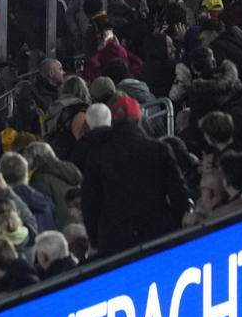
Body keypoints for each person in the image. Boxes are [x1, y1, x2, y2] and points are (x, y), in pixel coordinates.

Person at [79, 97, 192, 254]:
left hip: (115, 243)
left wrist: (95, 240)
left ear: (113, 121)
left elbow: (89, 202)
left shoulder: (97, 155)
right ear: (139, 119)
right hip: (158, 233)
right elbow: (178, 192)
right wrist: (181, 219)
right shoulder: (158, 149)